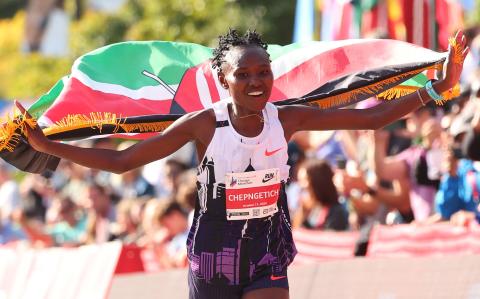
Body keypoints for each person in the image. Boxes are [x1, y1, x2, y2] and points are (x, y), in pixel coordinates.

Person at [16, 29, 468, 299]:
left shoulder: (288, 117)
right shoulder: (202, 126)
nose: (256, 82)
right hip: (215, 253)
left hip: (267, 246)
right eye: (244, 75)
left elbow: (371, 118)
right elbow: (124, 161)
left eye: (263, 73)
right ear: (223, 80)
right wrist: (51, 147)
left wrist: (437, 89)